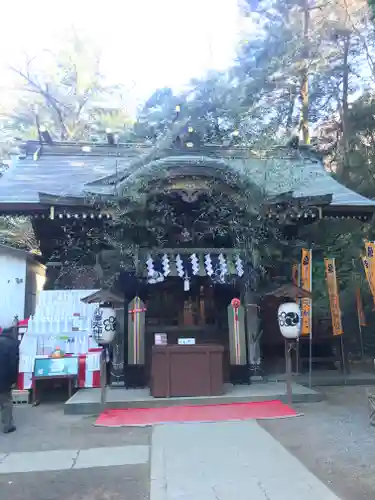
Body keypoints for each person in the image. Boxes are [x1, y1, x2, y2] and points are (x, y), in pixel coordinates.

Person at [0, 326, 19, 433]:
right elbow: (13, 364)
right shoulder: (12, 344)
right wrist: (13, 379)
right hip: (3, 377)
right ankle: (8, 426)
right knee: (6, 402)